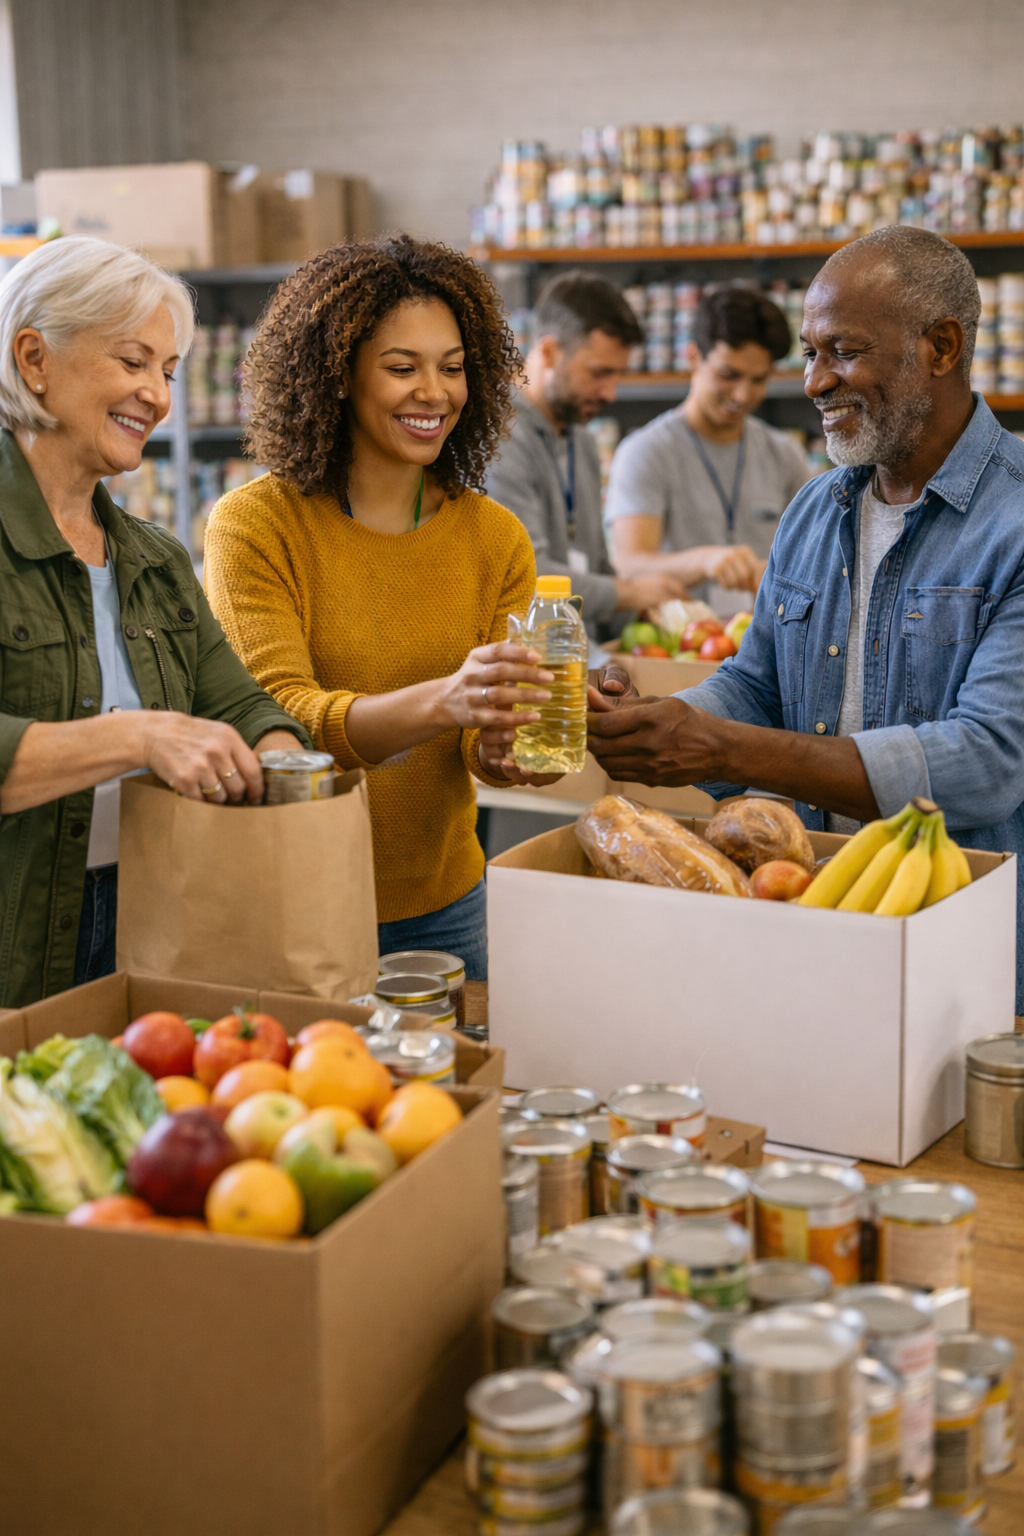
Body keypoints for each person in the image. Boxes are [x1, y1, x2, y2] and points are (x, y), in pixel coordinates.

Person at [587, 226, 1024, 1011]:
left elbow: (988, 759)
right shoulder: (816, 510)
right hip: (805, 909)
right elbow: (758, 685)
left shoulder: (1016, 520)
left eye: (843, 351)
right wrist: (663, 720)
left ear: (943, 346)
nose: (816, 382)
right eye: (810, 353)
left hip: (964, 944)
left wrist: (719, 744)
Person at [205, 235, 563, 982]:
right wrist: (448, 700)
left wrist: (505, 747)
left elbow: (480, 748)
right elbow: (278, 718)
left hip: (448, 904)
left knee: (449, 1098)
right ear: (335, 375)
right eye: (402, 368)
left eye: (454, 368)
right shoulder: (256, 525)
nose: (434, 392)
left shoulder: (495, 539)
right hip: (295, 899)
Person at [0, 237, 310, 1009]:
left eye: (167, 373)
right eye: (134, 362)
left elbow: (240, 703)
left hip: (148, 925)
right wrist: (139, 735)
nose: (159, 397)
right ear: (33, 357)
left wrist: (277, 758)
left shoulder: (155, 559)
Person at [485, 270, 688, 640]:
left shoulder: (582, 438)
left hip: (580, 660)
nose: (610, 393)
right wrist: (630, 592)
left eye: (617, 375)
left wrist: (649, 616)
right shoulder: (499, 437)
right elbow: (525, 574)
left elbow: (594, 563)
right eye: (599, 373)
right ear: (548, 351)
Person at [605, 286, 813, 616]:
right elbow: (628, 566)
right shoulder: (645, 452)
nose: (743, 395)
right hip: (679, 648)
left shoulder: (784, 454)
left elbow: (811, 558)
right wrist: (707, 561)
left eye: (758, 380)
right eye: (728, 375)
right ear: (692, 358)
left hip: (765, 646)